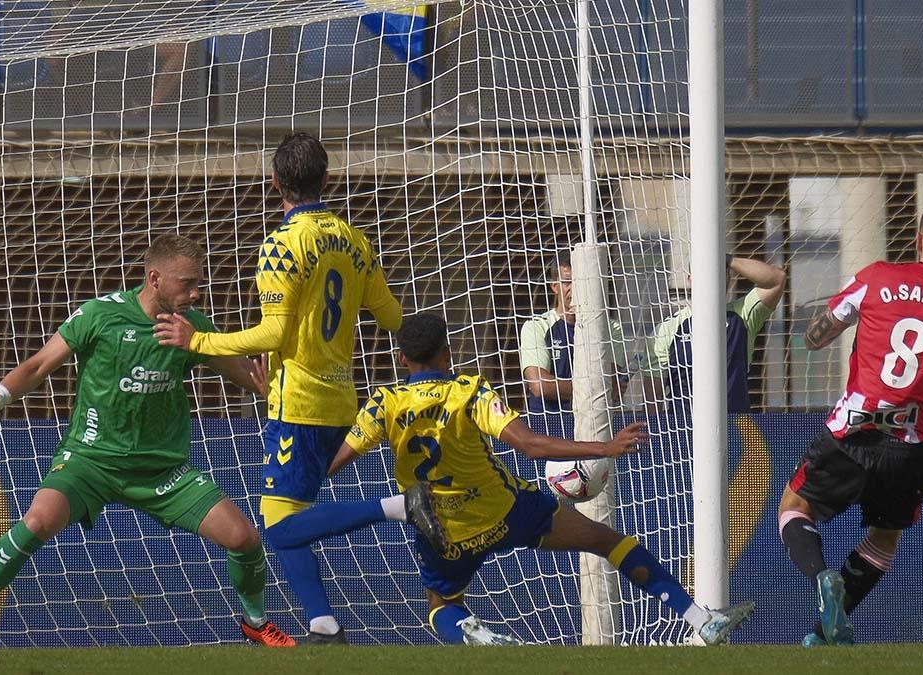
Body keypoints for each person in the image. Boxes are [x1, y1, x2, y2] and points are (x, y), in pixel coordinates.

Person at [268, 313, 755, 646]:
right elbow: (531, 446)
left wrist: (297, 480)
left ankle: (472, 633)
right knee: (606, 540)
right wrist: (604, 448)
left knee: (441, 604)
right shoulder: (469, 391)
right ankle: (700, 621)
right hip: (505, 512)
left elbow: (337, 461)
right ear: (448, 353)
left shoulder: (384, 403)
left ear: (401, 359)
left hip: (442, 530)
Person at [0, 234, 293, 650]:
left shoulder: (192, 328)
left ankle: (256, 623)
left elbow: (250, 377)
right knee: (37, 522)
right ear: (154, 279)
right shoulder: (100, 315)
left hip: (162, 470)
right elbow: (38, 366)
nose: (195, 293)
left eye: (199, 284)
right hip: (91, 462)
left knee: (245, 538)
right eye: (187, 283)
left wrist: (279, 387)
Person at [154, 132, 402, 644]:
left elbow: (274, 334)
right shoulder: (355, 240)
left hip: (299, 402)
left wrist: (198, 340)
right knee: (287, 517)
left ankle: (397, 506)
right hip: (342, 399)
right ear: (326, 179)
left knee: (278, 526)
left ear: (274, 182)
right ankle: (323, 625)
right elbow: (392, 317)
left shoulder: (281, 245)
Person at [777, 202, 923, 646]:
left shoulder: (876, 277)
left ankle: (821, 578)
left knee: (794, 507)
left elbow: (819, 334)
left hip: (853, 429)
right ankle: (823, 635)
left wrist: (813, 336)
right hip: (910, 446)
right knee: (884, 537)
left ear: (919, 239)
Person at [648, 255, 785, 415]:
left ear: (728, 277)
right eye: (704, 272)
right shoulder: (667, 329)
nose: (712, 278)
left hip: (738, 424)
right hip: (686, 427)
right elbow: (653, 403)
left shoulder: (742, 314)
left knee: (760, 434)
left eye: (719, 271)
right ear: (691, 280)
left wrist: (727, 259)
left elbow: (777, 279)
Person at [519, 252, 629, 427]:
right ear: (555, 286)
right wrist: (592, 387)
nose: (575, 289)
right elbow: (540, 386)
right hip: (547, 424)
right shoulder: (536, 327)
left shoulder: (610, 328)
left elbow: (612, 386)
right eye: (568, 282)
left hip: (593, 424)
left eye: (581, 282)